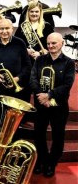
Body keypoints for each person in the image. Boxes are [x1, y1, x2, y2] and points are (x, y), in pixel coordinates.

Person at [30, 32, 75, 177]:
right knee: (39, 135)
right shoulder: (40, 60)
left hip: (59, 106)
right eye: (48, 43)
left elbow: (67, 85)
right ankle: (42, 159)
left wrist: (49, 95)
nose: (50, 46)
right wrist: (42, 97)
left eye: (54, 43)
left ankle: (51, 163)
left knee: (58, 136)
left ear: (61, 43)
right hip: (41, 104)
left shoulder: (69, 62)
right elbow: (33, 79)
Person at [0, 19, 32, 102]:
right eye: (1, 29)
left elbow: (27, 66)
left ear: (12, 29)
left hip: (18, 87)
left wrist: (17, 78)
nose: (4, 31)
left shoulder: (20, 43)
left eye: (7, 28)